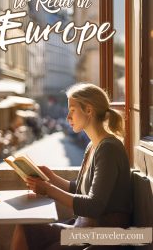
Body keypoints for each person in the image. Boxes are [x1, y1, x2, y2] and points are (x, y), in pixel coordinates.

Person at [10, 83, 132, 250]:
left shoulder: (108, 148)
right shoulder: (93, 146)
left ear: (89, 110)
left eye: (72, 110)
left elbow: (94, 205)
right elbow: (80, 189)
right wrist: (51, 177)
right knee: (26, 226)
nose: (68, 117)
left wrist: (48, 189)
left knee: (35, 236)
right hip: (84, 228)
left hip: (103, 236)